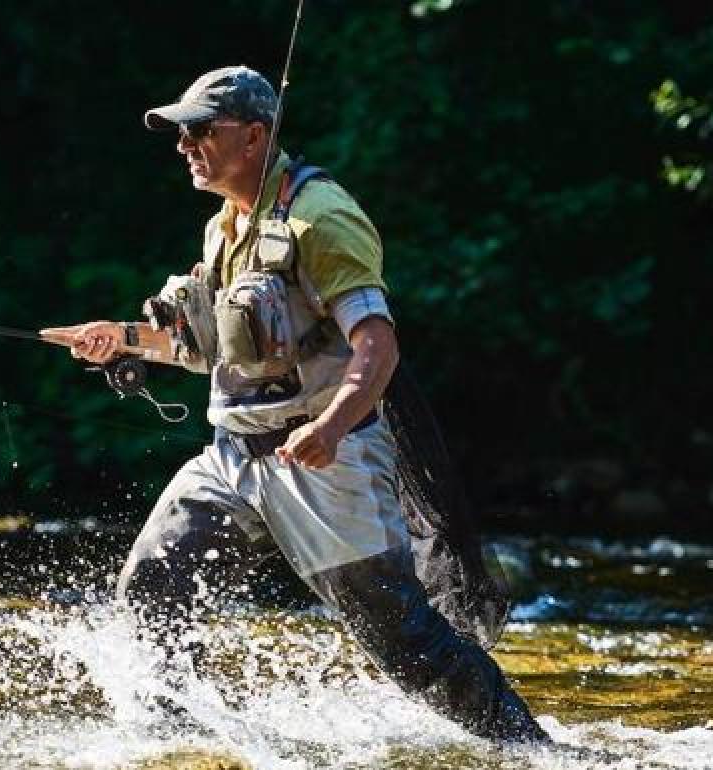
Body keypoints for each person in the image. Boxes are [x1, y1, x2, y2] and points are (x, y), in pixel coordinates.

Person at [41, 66, 549, 745]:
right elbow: (205, 348)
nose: (185, 144)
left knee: (405, 646)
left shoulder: (322, 218)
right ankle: (175, 743)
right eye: (181, 133)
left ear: (254, 136)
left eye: (200, 130)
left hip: (322, 467)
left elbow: (378, 344)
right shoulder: (224, 227)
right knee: (153, 586)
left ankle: (532, 752)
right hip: (230, 458)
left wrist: (331, 426)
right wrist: (121, 340)